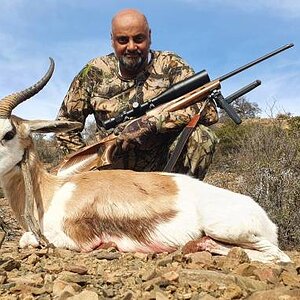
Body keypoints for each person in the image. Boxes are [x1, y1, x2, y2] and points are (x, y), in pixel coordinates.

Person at [56, 8, 219, 180]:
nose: (132, 47)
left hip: (162, 168)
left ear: (149, 36)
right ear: (112, 40)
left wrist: (153, 123)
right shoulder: (94, 72)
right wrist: (87, 169)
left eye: (139, 39)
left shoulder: (170, 64)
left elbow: (208, 110)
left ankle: (177, 204)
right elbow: (64, 126)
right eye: (123, 40)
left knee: (201, 137)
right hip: (109, 174)